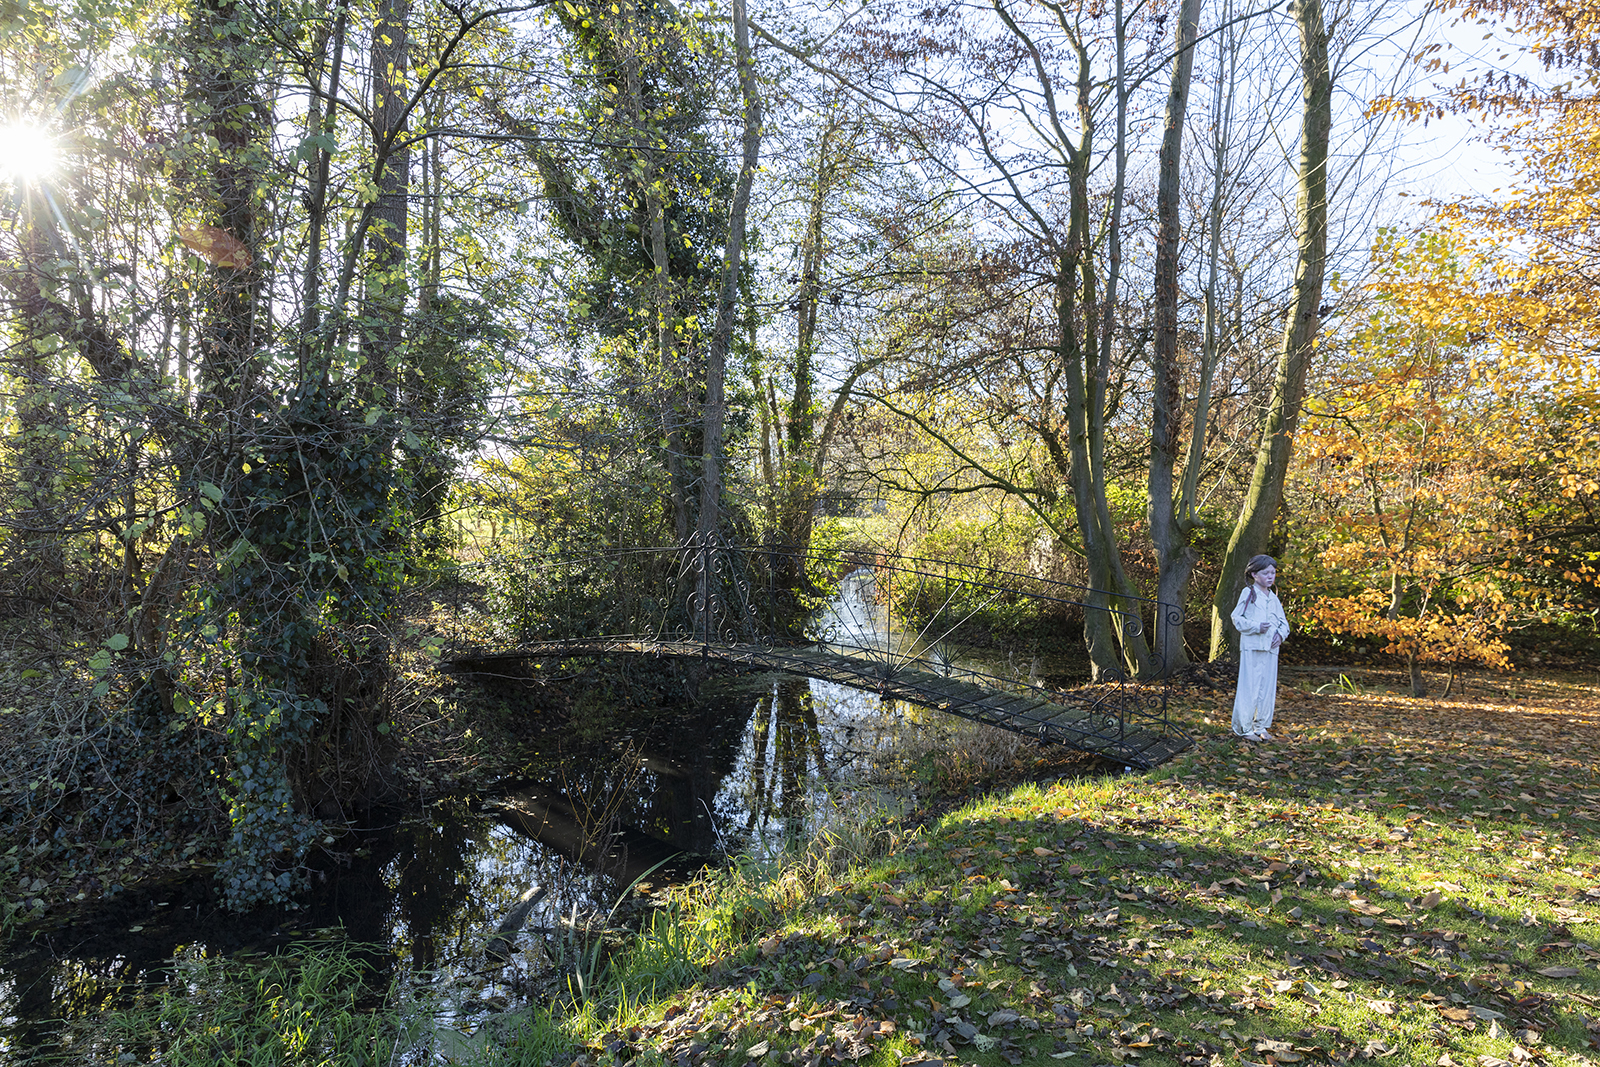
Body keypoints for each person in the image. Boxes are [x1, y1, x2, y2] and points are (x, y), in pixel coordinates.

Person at [1230, 554, 1289, 741]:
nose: (1270, 576)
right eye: (1266, 573)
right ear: (1254, 575)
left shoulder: (1273, 598)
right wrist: (1256, 627)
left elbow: (1284, 623)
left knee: (1267, 689)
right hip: (1252, 647)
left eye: (1273, 573)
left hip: (1271, 650)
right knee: (1250, 688)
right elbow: (1236, 618)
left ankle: (1260, 726)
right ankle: (1244, 728)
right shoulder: (1248, 593)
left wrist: (1280, 635)